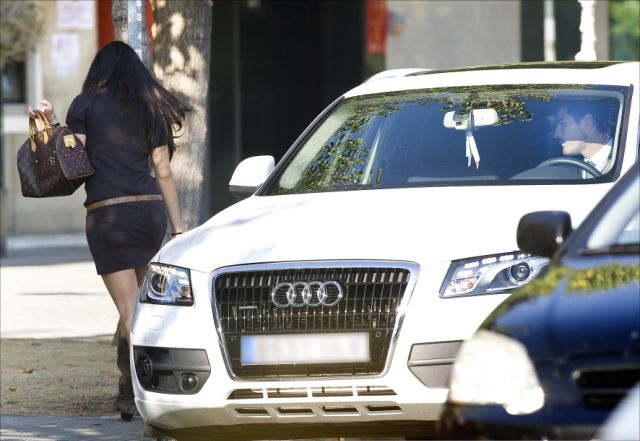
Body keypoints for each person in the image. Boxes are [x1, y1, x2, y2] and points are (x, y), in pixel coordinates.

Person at [28, 41, 189, 421]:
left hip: (108, 215)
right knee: (147, 309)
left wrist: (53, 125)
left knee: (131, 314)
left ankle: (145, 397)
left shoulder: (85, 105)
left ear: (99, 70)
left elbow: (75, 159)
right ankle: (137, 391)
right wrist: (179, 229)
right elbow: (164, 172)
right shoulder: (152, 107)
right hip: (149, 213)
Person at [552, 102, 614, 177]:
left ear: (587, 123)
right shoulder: (571, 170)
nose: (556, 135)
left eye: (563, 124)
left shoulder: (625, 162)